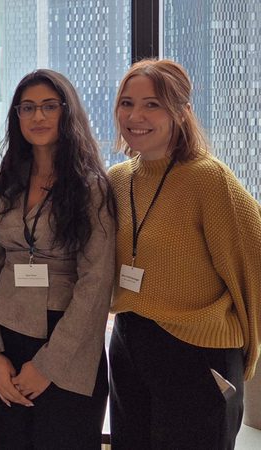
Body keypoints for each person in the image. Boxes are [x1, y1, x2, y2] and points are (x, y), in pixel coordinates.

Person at [107, 59, 261, 450]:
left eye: (152, 104)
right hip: (129, 342)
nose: (135, 115)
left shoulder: (208, 179)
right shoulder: (116, 179)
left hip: (197, 351)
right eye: (127, 102)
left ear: (181, 112)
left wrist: (249, 352)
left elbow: (253, 262)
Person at [0, 69, 115, 449]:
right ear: (15, 116)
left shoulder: (91, 187)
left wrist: (48, 366)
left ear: (67, 113)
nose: (38, 117)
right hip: (7, 340)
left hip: (67, 347)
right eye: (28, 108)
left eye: (49, 107)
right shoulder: (3, 182)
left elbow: (96, 284)